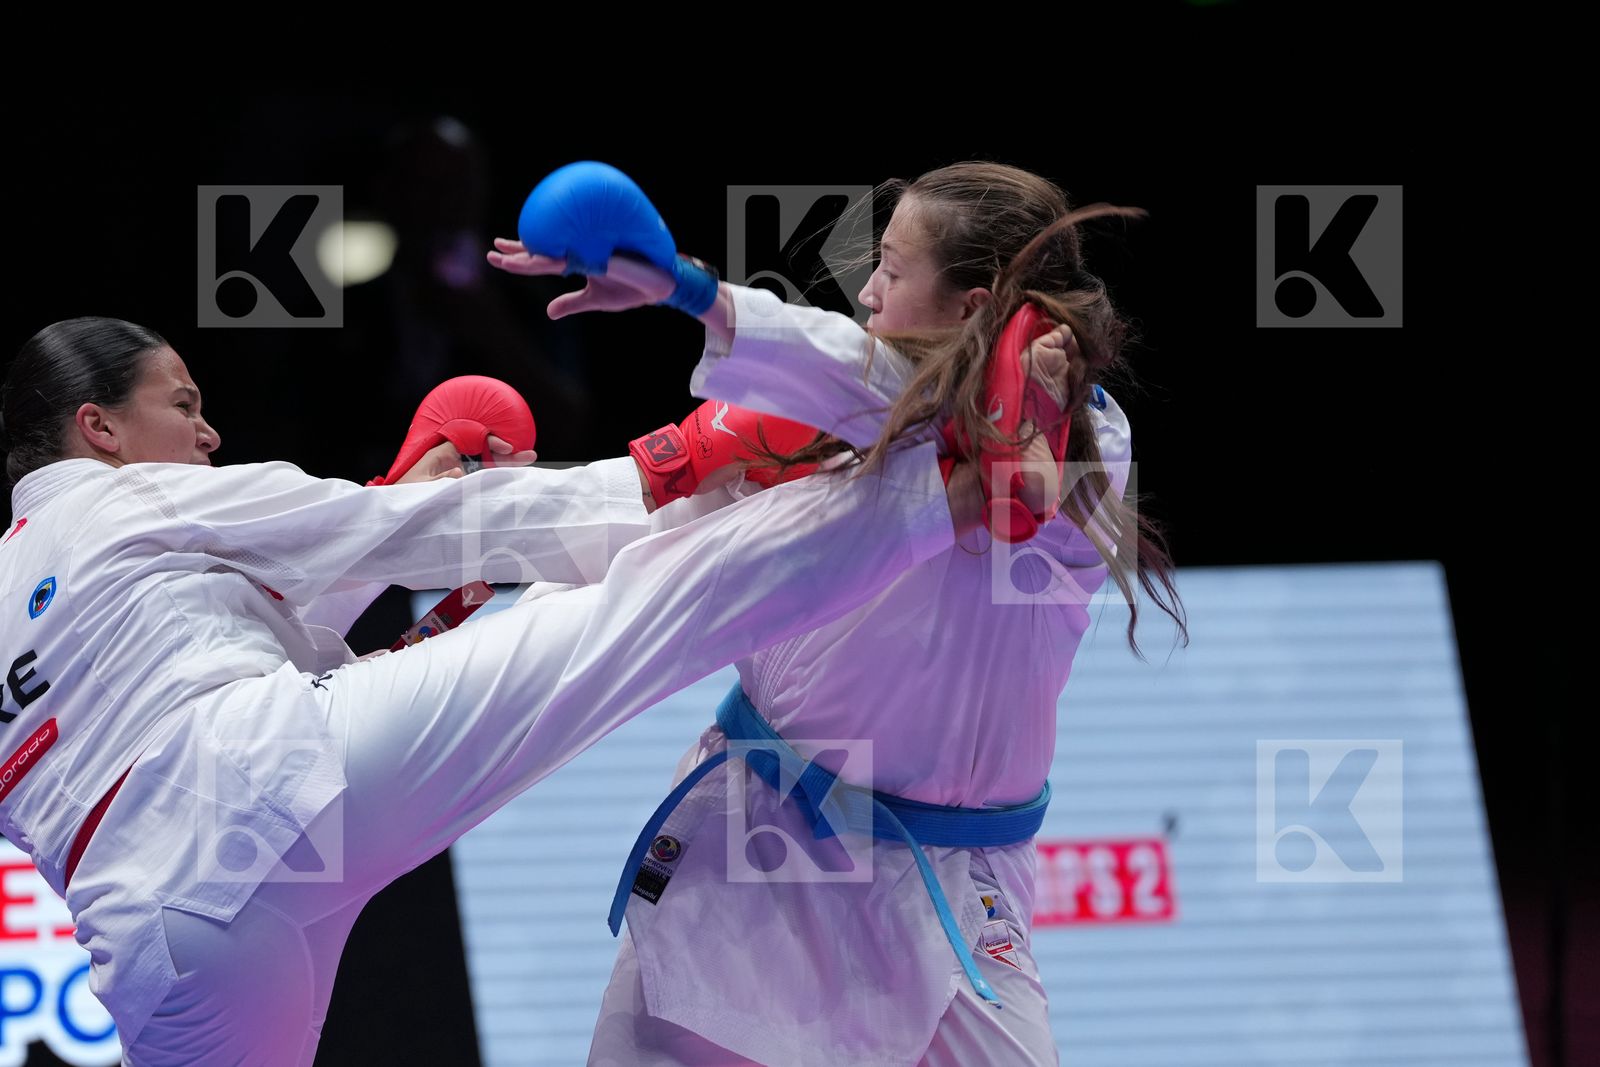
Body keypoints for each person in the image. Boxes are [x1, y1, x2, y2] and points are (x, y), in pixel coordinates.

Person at [0, 311, 1066, 1065]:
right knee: (644, 606)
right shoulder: (131, 499)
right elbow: (387, 532)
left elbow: (207, 650)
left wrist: (391, 602)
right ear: (98, 428)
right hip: (264, 780)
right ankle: (960, 474)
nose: (207, 432)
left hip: (160, 945)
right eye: (181, 405)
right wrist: (665, 469)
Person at [489, 160, 1187, 1066]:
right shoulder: (857, 403)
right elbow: (831, 368)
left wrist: (687, 287)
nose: (865, 290)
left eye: (892, 271)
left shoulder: (1096, 447)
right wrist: (681, 286)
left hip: (941, 885)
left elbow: (1014, 481)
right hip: (752, 847)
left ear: (974, 309)